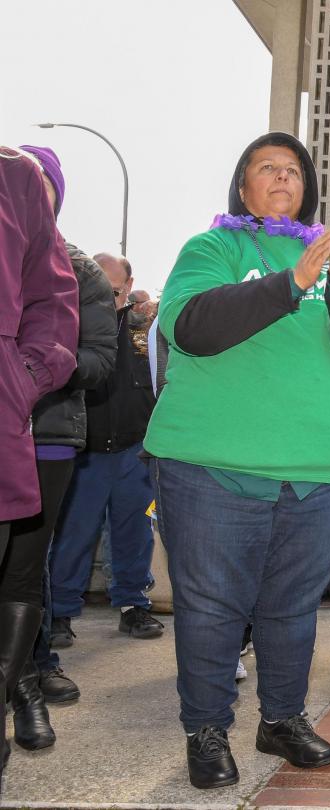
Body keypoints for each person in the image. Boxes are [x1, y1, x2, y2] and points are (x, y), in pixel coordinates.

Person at [144, 132, 330, 788]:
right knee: (211, 605)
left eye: (293, 170)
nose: (282, 177)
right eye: (266, 168)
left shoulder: (329, 258)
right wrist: (295, 280)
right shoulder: (213, 248)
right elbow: (191, 326)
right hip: (212, 463)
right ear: (243, 186)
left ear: (306, 188)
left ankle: (281, 718)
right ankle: (206, 728)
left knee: (291, 606)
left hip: (313, 467)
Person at [7, 146, 115, 753]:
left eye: (39, 184)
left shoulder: (81, 271)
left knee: (25, 567)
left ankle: (24, 680)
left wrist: (29, 372)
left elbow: (99, 362)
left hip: (45, 435)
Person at [0, 146, 78, 783]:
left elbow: (60, 316)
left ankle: (16, 688)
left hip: (28, 437)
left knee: (23, 573)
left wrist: (18, 382)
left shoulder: (12, 174)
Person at [46, 251, 163, 647]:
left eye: (113, 291)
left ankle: (133, 605)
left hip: (135, 451)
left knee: (135, 533)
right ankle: (59, 612)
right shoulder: (67, 327)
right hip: (84, 454)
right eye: (95, 290)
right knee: (73, 535)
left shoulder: (147, 330)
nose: (105, 299)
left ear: (128, 288)